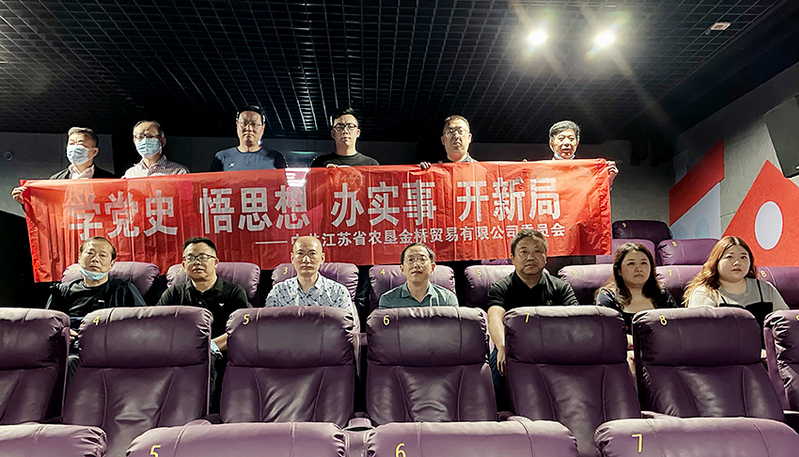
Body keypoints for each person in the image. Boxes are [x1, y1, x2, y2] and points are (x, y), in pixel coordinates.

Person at [485, 229, 578, 406]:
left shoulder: (561, 288)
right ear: (513, 258)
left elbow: (575, 320)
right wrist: (502, 346)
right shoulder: (501, 287)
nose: (530, 257)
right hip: (514, 348)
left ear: (545, 257)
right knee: (497, 362)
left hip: (553, 347)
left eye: (537, 251)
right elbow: (494, 319)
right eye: (523, 252)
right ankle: (506, 411)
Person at [157, 237, 248, 411]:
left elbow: (240, 331)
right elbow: (158, 327)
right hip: (182, 355)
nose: (196, 262)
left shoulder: (233, 292)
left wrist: (210, 346)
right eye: (191, 258)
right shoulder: (173, 293)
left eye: (203, 257)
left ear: (216, 262)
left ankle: (205, 414)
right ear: (184, 265)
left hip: (221, 354)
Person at [46, 236, 146, 383]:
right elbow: (47, 326)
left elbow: (143, 324)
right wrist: (62, 333)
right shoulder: (62, 291)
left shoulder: (124, 289)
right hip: (71, 350)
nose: (95, 259)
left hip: (109, 350)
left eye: (102, 255)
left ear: (112, 264)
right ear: (79, 258)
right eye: (90, 253)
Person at [595, 242, 677, 373]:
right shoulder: (608, 296)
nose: (639, 268)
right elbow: (610, 334)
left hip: (662, 351)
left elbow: (676, 328)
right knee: (632, 358)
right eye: (631, 264)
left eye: (644, 263)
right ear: (619, 270)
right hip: (625, 353)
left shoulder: (662, 295)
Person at [685, 236, 788, 329]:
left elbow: (786, 322)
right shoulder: (705, 293)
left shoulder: (765, 289)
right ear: (716, 261)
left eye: (743, 257)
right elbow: (700, 332)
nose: (737, 263)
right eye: (729, 257)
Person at [11, 127, 116, 204]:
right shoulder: (56, 180)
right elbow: (46, 209)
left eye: (80, 144)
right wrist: (25, 201)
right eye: (71, 144)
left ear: (94, 151)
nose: (74, 148)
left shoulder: (110, 180)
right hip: (66, 227)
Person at [264, 236, 352, 309]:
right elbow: (268, 323)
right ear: (292, 258)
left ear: (322, 258)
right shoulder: (278, 292)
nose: (306, 260)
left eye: (312, 253)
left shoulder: (338, 292)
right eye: (300, 253)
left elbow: (348, 323)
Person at [378, 243, 458, 309]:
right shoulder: (388, 300)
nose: (416, 265)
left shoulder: (447, 299)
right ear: (402, 269)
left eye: (422, 259)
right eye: (411, 260)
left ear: (432, 267)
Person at [210, 105, 286, 171]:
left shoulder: (275, 158)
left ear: (262, 129)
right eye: (244, 123)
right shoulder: (222, 157)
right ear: (237, 126)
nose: (248, 128)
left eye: (254, 124)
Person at [548, 120, 618, 180]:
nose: (567, 143)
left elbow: (596, 191)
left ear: (576, 144)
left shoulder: (586, 173)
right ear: (551, 144)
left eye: (571, 139)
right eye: (561, 138)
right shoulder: (543, 171)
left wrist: (609, 179)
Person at [310, 108, 379, 167]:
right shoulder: (319, 163)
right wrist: (326, 176)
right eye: (339, 127)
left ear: (357, 132)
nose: (345, 131)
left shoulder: (371, 164)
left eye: (350, 126)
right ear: (333, 133)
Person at [123, 120, 189, 178]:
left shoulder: (179, 172)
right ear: (135, 142)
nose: (144, 140)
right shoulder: (131, 174)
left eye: (150, 136)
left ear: (162, 141)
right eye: (140, 137)